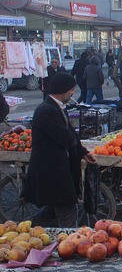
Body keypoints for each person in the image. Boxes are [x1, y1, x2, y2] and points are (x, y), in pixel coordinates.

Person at [23, 73, 97, 228]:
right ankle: (68, 244)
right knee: (68, 209)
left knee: (56, 207)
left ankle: (26, 228)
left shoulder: (57, 107)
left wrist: (83, 152)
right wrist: (73, 140)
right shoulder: (46, 111)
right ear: (63, 90)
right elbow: (67, 138)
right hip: (50, 169)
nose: (73, 94)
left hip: (58, 168)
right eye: (71, 90)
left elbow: (72, 135)